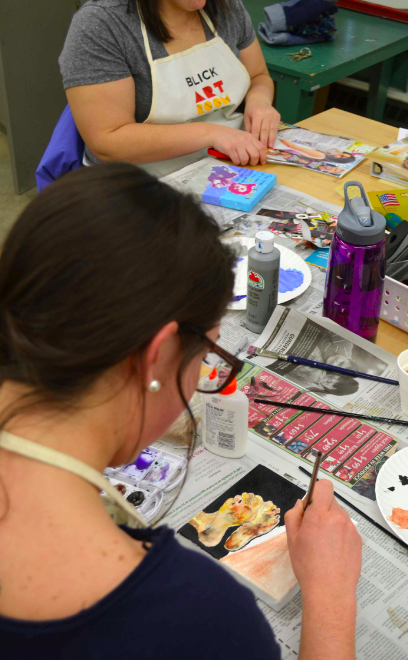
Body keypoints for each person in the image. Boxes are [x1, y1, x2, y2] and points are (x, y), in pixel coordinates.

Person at [0, 164, 361, 660]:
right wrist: (331, 596)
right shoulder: (195, 618)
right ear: (157, 354)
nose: (200, 382)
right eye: (208, 354)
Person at [59, 0, 280, 178]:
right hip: (138, 185)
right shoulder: (101, 24)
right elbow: (107, 141)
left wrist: (259, 102)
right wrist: (211, 134)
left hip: (227, 165)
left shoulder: (227, 6)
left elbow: (258, 75)